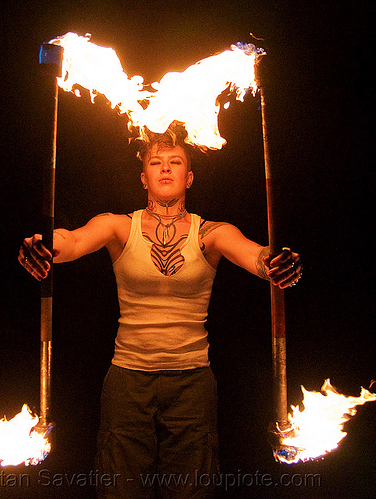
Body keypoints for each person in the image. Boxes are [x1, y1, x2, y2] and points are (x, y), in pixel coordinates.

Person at [19, 126, 302, 498]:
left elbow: (254, 255)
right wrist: (44, 244)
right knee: (119, 489)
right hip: (128, 380)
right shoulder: (120, 226)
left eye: (175, 162)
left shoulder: (211, 232)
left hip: (192, 382)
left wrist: (275, 263)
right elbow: (72, 239)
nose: (165, 169)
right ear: (144, 177)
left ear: (189, 177)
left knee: (191, 491)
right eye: (156, 162)